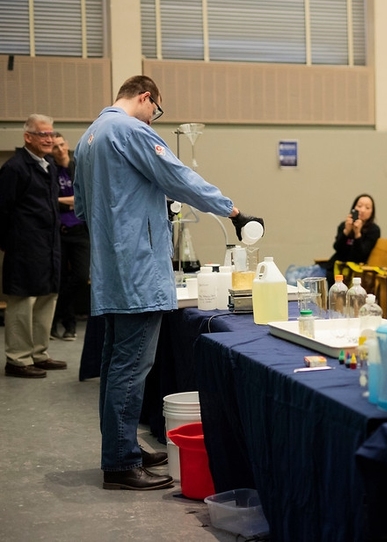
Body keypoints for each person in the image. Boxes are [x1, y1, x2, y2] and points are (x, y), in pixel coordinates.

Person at [74, 75, 263, 491]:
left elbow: (84, 209)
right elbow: (179, 177)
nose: (153, 120)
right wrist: (232, 211)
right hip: (138, 271)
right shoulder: (131, 130)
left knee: (114, 363)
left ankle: (121, 446)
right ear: (146, 98)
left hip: (112, 268)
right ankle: (120, 464)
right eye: (155, 112)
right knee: (131, 367)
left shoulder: (88, 137)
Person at [0, 114, 66, 379]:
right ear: (28, 137)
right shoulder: (15, 168)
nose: (49, 139)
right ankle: (18, 359)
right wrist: (10, 244)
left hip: (48, 245)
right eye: (43, 134)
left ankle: (39, 353)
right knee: (23, 302)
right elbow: (2, 210)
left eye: (51, 134)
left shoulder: (49, 165)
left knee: (47, 298)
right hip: (24, 247)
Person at [50, 133, 91, 341]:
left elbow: (83, 198)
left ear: (67, 145)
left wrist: (59, 200)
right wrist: (67, 201)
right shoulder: (50, 169)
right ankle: (68, 325)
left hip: (80, 232)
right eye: (54, 147)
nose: (59, 149)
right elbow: (47, 199)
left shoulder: (77, 166)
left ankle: (55, 315)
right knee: (58, 279)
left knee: (81, 277)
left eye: (61, 145)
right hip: (59, 232)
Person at [325, 193, 380, 286]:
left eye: (367, 208)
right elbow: (337, 248)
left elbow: (361, 255)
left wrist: (357, 234)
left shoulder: (374, 230)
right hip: (337, 267)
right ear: (354, 208)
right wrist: (346, 231)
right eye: (359, 206)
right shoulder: (344, 225)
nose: (362, 210)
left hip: (356, 270)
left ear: (372, 212)